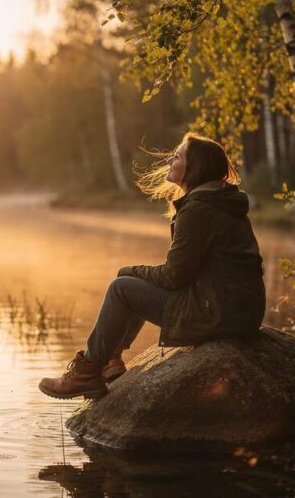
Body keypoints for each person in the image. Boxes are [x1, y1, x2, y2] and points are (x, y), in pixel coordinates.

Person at [38, 133, 266, 399]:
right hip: (238, 310)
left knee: (122, 288)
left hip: (218, 313)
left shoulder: (198, 211)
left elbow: (173, 277)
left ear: (196, 167)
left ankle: (88, 371)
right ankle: (110, 362)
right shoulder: (221, 202)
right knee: (134, 285)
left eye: (178, 156)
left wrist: (129, 270)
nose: (170, 159)